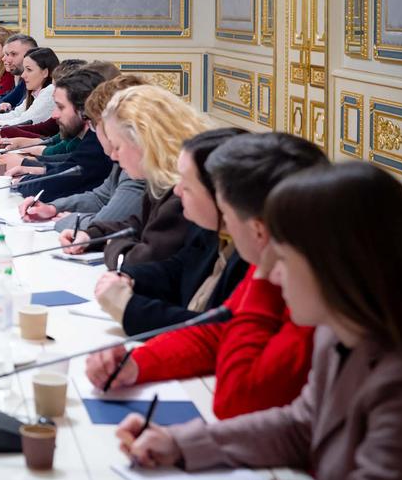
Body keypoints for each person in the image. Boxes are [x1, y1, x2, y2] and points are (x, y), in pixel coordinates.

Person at [118, 162, 402, 480]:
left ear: (339, 267)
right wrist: (180, 442)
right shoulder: (338, 335)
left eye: (283, 258)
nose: (268, 274)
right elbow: (300, 424)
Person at [87, 131, 322, 417]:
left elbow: (234, 398)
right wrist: (136, 363)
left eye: (227, 212)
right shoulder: (278, 264)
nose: (176, 190)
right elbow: (215, 334)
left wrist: (261, 276)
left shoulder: (311, 294)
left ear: (259, 230)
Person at [90, 128, 248, 334]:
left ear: (219, 194)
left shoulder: (251, 253)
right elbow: (179, 269)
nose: (177, 190)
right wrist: (129, 278)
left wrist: (129, 308)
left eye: (188, 184)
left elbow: (219, 331)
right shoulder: (211, 230)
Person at [63, 84, 204, 268]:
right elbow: (137, 225)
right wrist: (93, 235)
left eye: (118, 147)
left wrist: (115, 247)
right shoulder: (160, 182)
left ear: (144, 141)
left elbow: (144, 261)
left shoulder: (181, 192)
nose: (113, 155)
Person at [18, 74, 146, 232]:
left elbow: (105, 225)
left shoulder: (140, 164)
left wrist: (69, 220)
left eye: (92, 123)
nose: (113, 155)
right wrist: (52, 208)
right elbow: (100, 197)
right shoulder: (126, 155)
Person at [0, 70, 113, 203]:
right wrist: (31, 168)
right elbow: (68, 166)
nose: (54, 114)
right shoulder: (92, 137)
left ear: (85, 110)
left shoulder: (98, 143)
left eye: (60, 107)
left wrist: (21, 181)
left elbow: (54, 186)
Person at [0, 46, 58, 131]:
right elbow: (17, 114)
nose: (23, 75)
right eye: (24, 70)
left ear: (45, 72)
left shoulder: (50, 91)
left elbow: (25, 121)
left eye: (29, 70)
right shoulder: (35, 92)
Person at [0, 34, 37, 112]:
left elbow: (17, 113)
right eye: (6, 54)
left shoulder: (34, 82)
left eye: (13, 54)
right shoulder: (23, 79)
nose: (4, 59)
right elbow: (10, 100)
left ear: (30, 55)